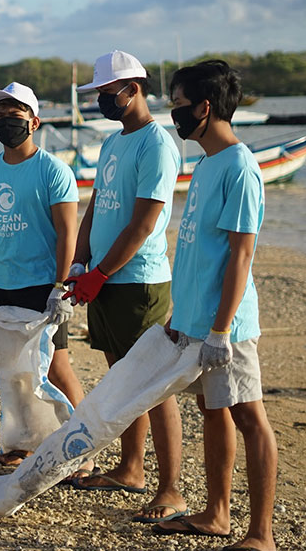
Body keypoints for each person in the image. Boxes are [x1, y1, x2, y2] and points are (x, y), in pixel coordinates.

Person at [153, 60, 276, 551]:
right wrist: (180, 314)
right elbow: (199, 250)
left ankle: (260, 534)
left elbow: (242, 255)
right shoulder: (205, 164)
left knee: (249, 416)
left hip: (228, 325)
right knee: (212, 409)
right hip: (196, 318)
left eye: (178, 105)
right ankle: (216, 512)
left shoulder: (240, 167)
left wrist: (222, 330)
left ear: (204, 107)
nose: (174, 115)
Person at [65, 50, 186, 522]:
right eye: (98, 94)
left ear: (133, 89)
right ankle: (130, 468)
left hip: (138, 281)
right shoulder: (115, 143)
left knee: (154, 386)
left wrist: (102, 272)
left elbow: (143, 222)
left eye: (106, 93)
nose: (101, 101)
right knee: (123, 378)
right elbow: (96, 203)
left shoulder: (157, 144)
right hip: (105, 277)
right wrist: (80, 261)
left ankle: (171, 489)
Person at [0, 81, 88, 467]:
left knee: (56, 365)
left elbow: (68, 232)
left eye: (14, 114)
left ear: (34, 122)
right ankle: (23, 442)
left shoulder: (53, 170)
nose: (5, 120)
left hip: (42, 285)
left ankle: (85, 446)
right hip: (0, 283)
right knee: (14, 371)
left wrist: (61, 286)